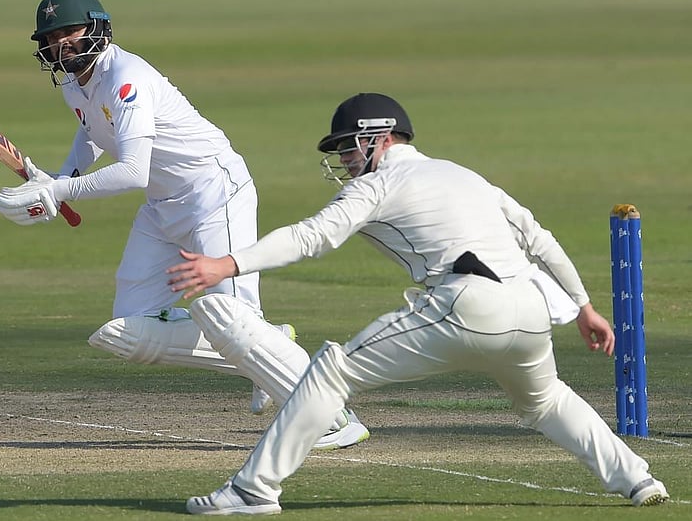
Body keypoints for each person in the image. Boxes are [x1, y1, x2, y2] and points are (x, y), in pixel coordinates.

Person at [168, 93, 670, 514]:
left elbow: (311, 237)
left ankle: (252, 490)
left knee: (331, 372)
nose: (343, 161)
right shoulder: (463, 174)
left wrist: (227, 265)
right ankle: (640, 480)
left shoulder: (380, 183)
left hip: (466, 303)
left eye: (347, 148)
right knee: (548, 400)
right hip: (532, 308)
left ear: (380, 138)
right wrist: (584, 307)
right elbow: (539, 239)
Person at [0, 0, 368, 449]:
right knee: (124, 331)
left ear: (97, 27)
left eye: (70, 32)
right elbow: (92, 130)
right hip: (163, 207)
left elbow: (133, 170)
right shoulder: (76, 81)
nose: (62, 44)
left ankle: (333, 415)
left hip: (214, 193)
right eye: (52, 38)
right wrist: (59, 176)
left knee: (230, 320)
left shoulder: (126, 77)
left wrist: (58, 190)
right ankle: (268, 347)